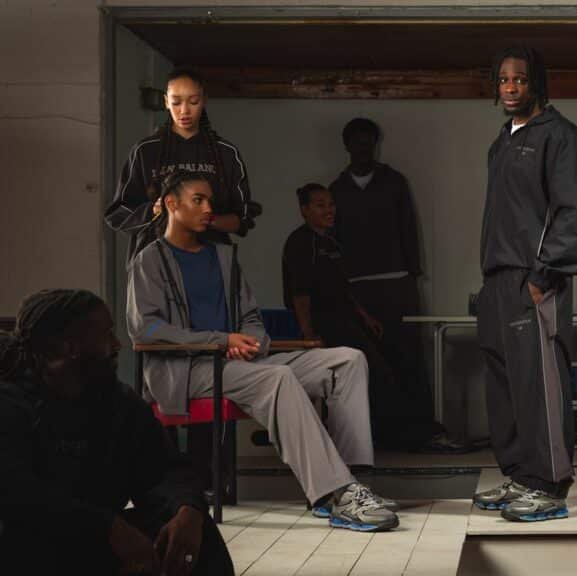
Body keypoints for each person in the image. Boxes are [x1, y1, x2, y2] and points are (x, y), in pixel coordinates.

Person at [127, 171, 398, 532]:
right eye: (198, 200)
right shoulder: (149, 261)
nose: (209, 209)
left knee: (347, 360)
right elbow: (147, 329)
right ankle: (334, 493)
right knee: (278, 377)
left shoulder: (223, 258)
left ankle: (351, 482)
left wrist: (251, 342)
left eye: (211, 200)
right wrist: (223, 340)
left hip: (243, 364)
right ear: (172, 204)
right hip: (188, 370)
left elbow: (250, 316)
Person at [0, 289, 233, 574]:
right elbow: (19, 494)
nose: (117, 344)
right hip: (31, 545)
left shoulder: (119, 403)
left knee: (193, 532)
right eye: (107, 334)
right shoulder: (11, 403)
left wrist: (188, 509)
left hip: (94, 542)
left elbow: (165, 471)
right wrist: (107, 528)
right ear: (72, 347)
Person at [472, 47, 577, 523]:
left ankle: (548, 485)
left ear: (536, 82)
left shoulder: (559, 137)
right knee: (506, 387)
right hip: (498, 280)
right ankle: (521, 474)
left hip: (535, 278)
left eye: (519, 80)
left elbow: (569, 212)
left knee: (540, 384)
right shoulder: (501, 142)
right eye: (502, 80)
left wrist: (545, 277)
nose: (510, 88)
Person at [282, 183, 437, 450]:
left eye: (331, 205)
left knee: (390, 362)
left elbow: (345, 289)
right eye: (321, 205)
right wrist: (308, 334)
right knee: (374, 372)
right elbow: (300, 295)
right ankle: (389, 439)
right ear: (304, 210)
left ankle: (403, 433)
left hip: (347, 318)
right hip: (323, 322)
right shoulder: (300, 243)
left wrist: (366, 317)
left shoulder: (332, 242)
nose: (329, 210)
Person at [327, 118, 436, 440]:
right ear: (346, 146)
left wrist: (411, 273)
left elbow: (407, 227)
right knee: (368, 362)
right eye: (357, 142)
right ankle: (376, 434)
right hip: (356, 285)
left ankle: (417, 431)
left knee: (408, 356)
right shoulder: (336, 189)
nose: (363, 149)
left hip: (395, 280)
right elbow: (334, 240)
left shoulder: (393, 182)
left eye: (368, 142)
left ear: (375, 144)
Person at [105, 67, 259, 265]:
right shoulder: (146, 151)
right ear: (166, 102)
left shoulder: (226, 153)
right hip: (154, 262)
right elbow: (118, 213)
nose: (184, 110)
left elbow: (243, 216)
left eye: (193, 101)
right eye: (176, 102)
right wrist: (154, 210)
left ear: (204, 100)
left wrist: (206, 218)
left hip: (211, 262)